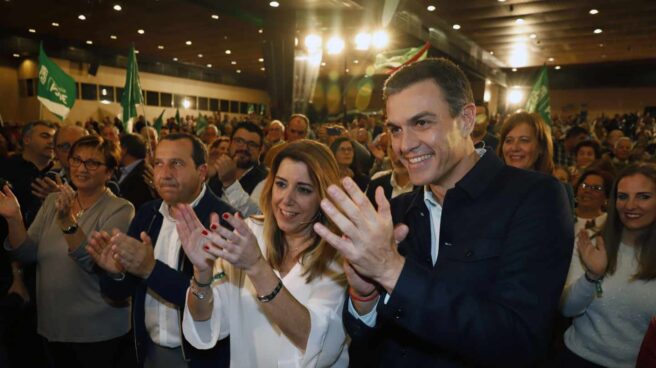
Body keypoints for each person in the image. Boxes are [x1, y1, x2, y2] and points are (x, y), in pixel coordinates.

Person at [313, 58, 573, 367]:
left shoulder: (534, 197)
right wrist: (364, 296)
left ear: (466, 119)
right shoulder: (395, 212)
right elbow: (366, 340)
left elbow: (518, 342)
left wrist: (391, 270)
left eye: (422, 123)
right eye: (395, 129)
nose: (404, 145)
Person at [177, 140, 348, 367]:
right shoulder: (250, 234)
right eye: (281, 184)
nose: (287, 199)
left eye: (303, 189)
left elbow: (318, 343)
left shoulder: (340, 255)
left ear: (323, 198)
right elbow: (206, 322)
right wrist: (202, 275)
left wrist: (257, 267)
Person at [89, 133, 232, 368]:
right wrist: (115, 273)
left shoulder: (224, 221)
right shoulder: (147, 214)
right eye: (158, 163)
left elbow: (216, 307)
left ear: (202, 171)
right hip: (148, 352)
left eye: (177, 163)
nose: (165, 174)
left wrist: (150, 269)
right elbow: (119, 293)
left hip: (201, 359)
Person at [1, 135, 135, 367]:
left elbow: (93, 261)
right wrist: (13, 218)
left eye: (92, 163)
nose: (81, 168)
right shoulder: (54, 200)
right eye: (76, 160)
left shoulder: (120, 209)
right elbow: (26, 254)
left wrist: (66, 221)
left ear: (109, 172)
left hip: (97, 331)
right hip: (53, 325)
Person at [560, 163, 656, 367]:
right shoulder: (591, 244)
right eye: (622, 197)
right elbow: (567, 309)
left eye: (643, 196)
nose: (630, 205)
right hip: (577, 358)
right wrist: (592, 276)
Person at [208, 121, 268, 216]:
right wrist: (203, 177)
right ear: (230, 143)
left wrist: (230, 184)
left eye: (252, 144)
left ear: (260, 150)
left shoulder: (266, 179)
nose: (244, 148)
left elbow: (256, 216)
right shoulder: (218, 169)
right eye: (239, 141)